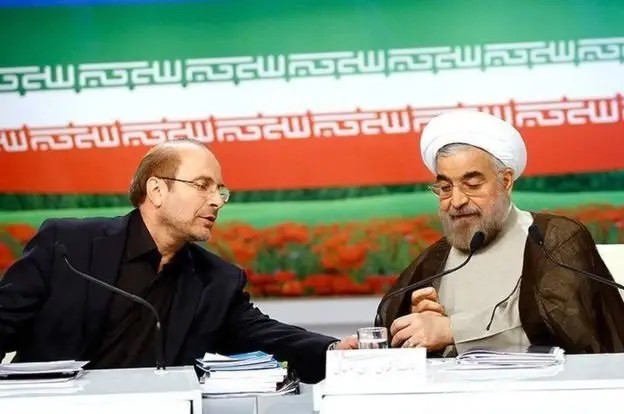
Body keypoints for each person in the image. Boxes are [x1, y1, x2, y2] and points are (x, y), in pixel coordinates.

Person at [0, 139, 357, 383]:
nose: (216, 200)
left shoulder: (217, 280)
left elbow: (265, 335)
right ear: (157, 190)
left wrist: (333, 350)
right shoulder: (68, 247)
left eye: (220, 190)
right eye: (202, 185)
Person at [379, 110, 624, 355]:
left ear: (505, 181)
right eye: (444, 187)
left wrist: (452, 330)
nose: (456, 200)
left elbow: (563, 322)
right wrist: (417, 327)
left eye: (472, 185)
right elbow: (403, 334)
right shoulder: (435, 260)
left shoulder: (552, 238)